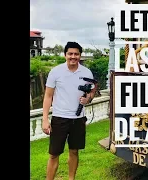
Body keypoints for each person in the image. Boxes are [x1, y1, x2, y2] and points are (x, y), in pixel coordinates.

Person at [42, 42, 96, 180]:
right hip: (59, 118)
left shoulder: (86, 72)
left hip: (78, 119)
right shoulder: (55, 72)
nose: (73, 57)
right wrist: (45, 119)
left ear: (80, 55)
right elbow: (48, 96)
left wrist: (88, 98)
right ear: (65, 55)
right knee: (54, 154)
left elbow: (93, 88)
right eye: (70, 54)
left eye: (76, 54)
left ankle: (71, 178)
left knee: (74, 151)